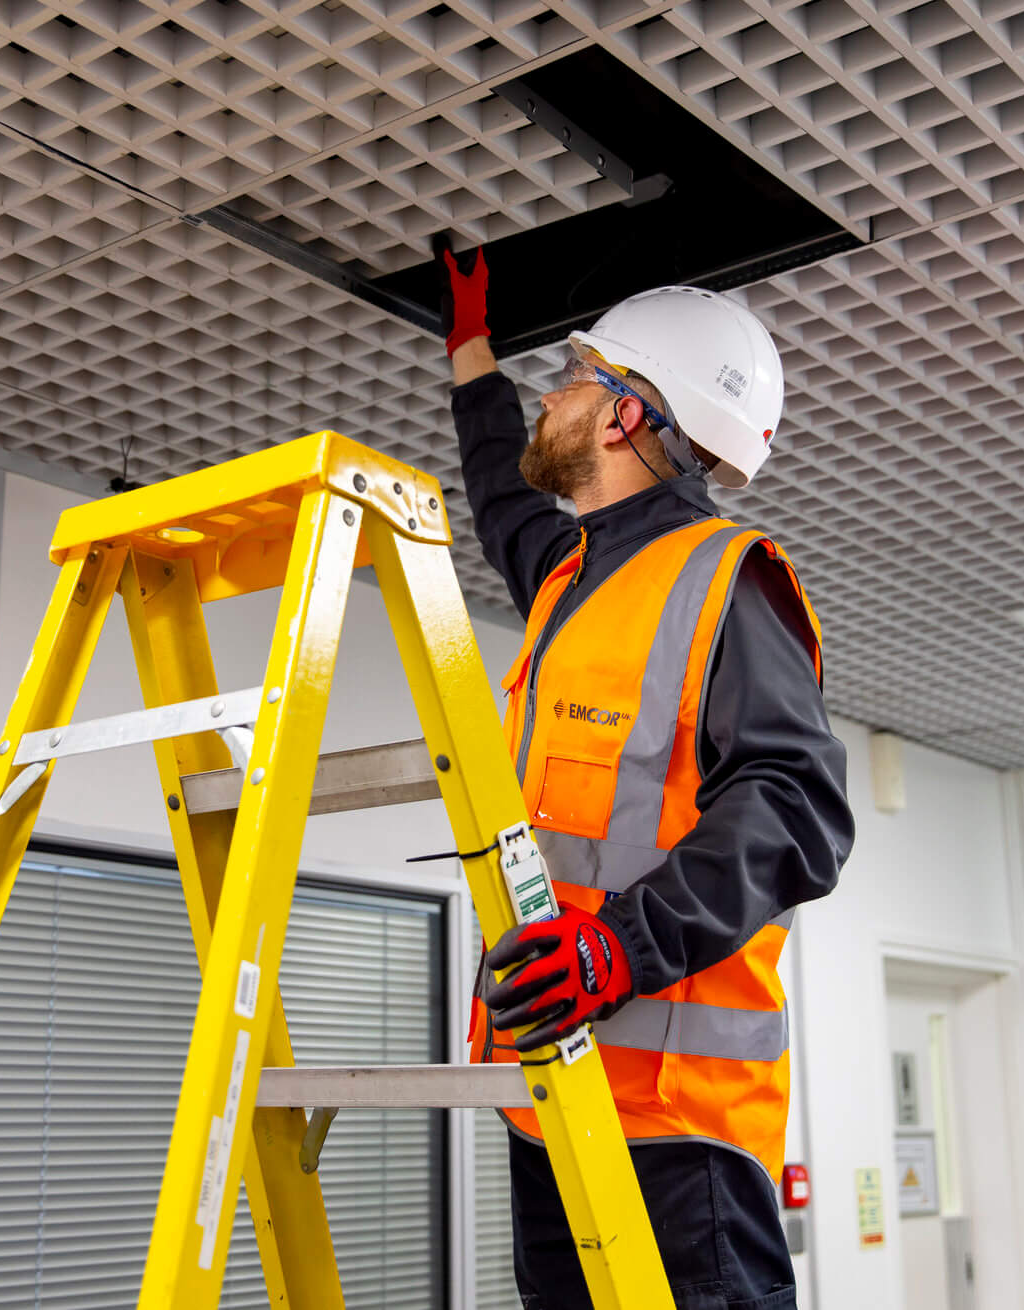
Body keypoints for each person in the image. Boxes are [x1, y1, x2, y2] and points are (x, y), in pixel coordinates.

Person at [441, 246, 855, 1310]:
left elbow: (795, 810)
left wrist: (614, 945)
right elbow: (501, 503)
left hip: (678, 1137)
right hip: (550, 1093)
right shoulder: (574, 578)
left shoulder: (725, 580)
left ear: (626, 416)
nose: (557, 392)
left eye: (576, 374)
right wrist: (471, 356)